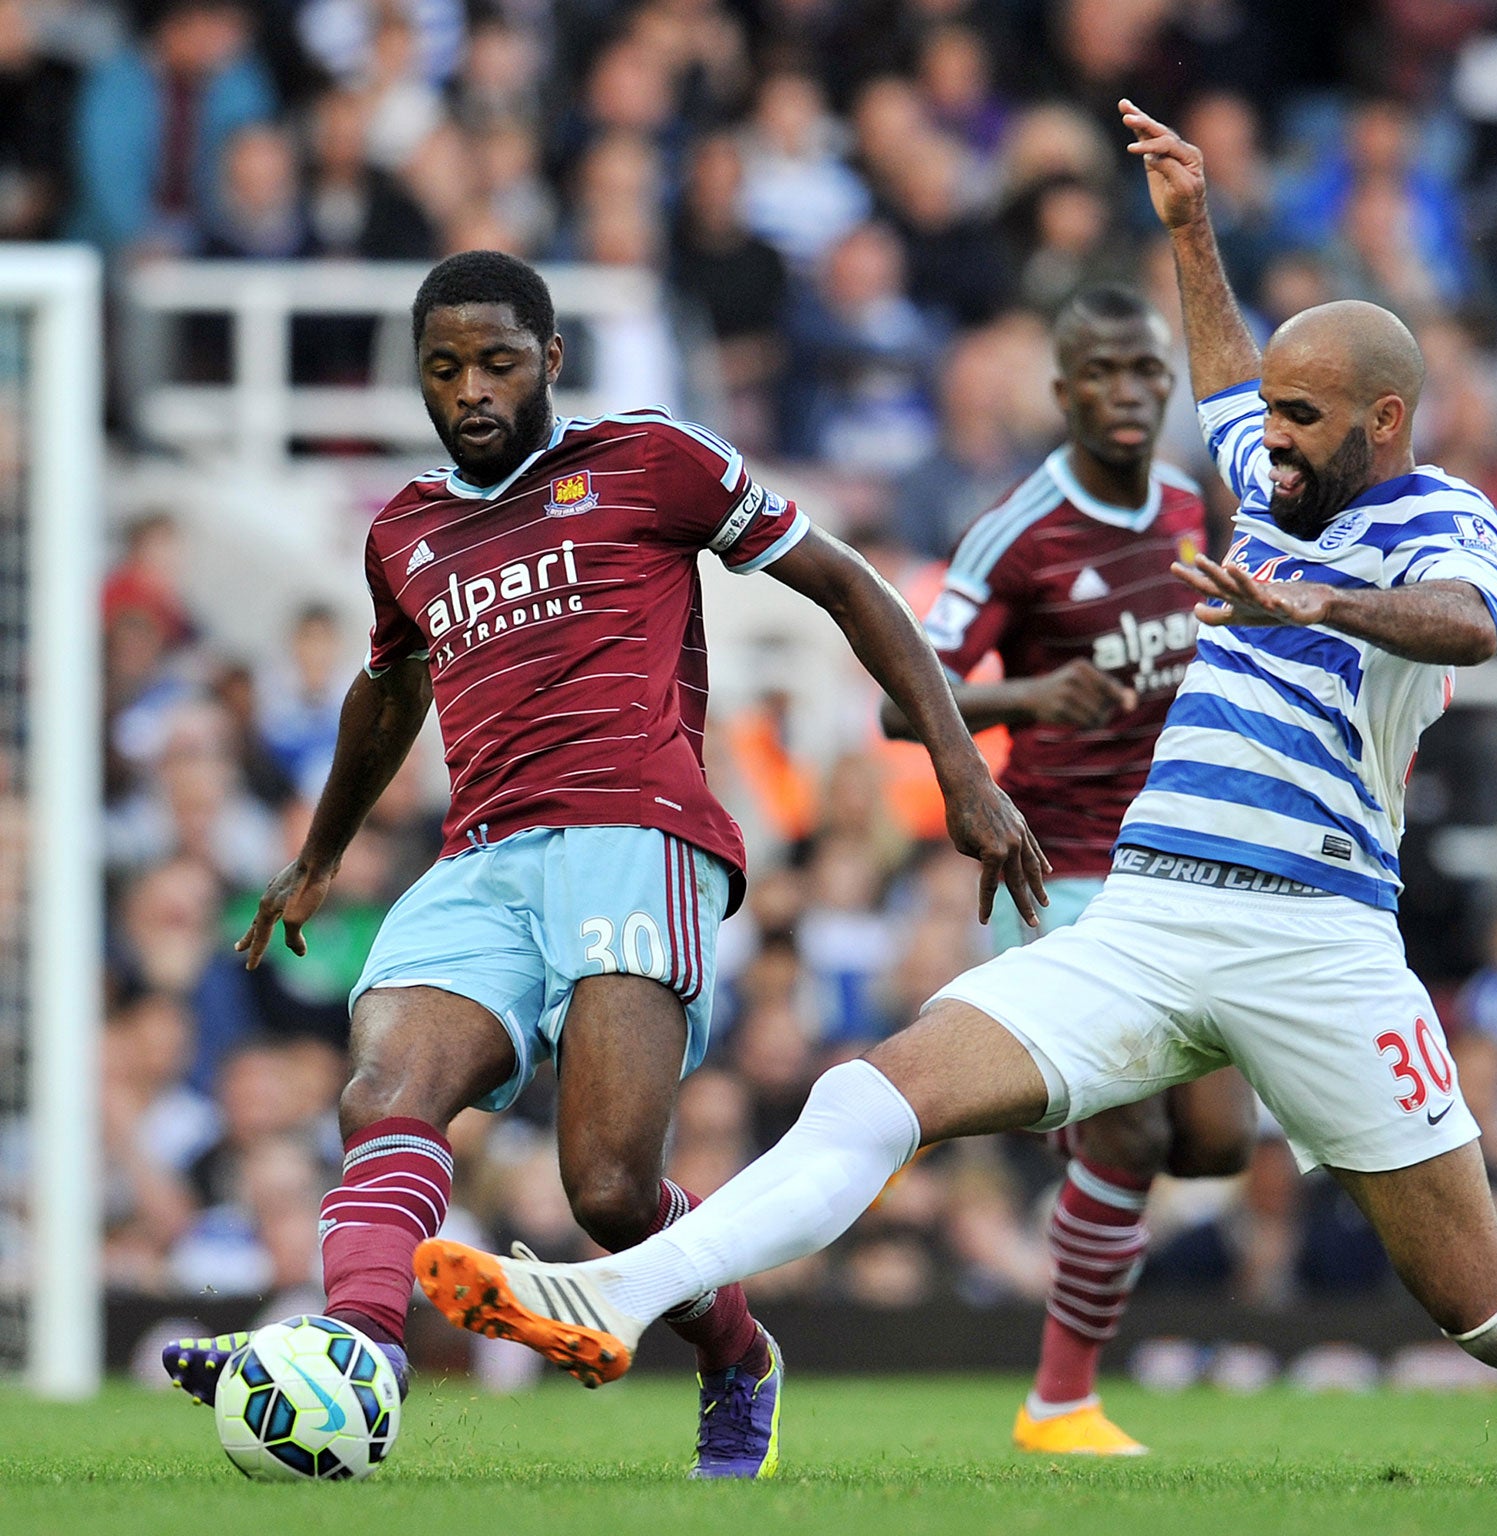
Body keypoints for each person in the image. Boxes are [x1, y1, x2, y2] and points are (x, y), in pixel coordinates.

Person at [414, 105, 1497, 1488]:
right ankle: (621, 1296)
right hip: (1146, 919)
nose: (1265, 441)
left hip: (1320, 941)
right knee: (872, 1093)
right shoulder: (1269, 475)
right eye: (1268, 419)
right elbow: (1227, 377)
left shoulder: (1433, 517)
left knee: (1491, 1309)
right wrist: (1194, 226)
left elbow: (1471, 626)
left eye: (1303, 419)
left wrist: (1312, 599)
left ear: (1385, 420)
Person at [159, 250, 1045, 1480]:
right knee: (382, 1094)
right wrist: (317, 860)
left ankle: (740, 1359)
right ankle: (357, 1349)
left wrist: (961, 768)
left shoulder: (647, 461)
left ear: (550, 363)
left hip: (635, 835)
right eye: (444, 368)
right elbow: (389, 691)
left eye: (497, 363)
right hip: (481, 857)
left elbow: (849, 585)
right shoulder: (405, 532)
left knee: (612, 1192)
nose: (470, 390)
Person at [878, 285, 1255, 1456]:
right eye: (1104, 375)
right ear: (1063, 392)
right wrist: (1027, 696)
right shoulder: (1017, 531)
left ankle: (1059, 1114)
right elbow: (906, 701)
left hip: (1176, 869)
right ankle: (1060, 1403)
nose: (1132, 396)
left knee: (1217, 1145)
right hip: (1062, 869)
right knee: (1137, 1142)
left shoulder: (1192, 507)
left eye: (1147, 373)